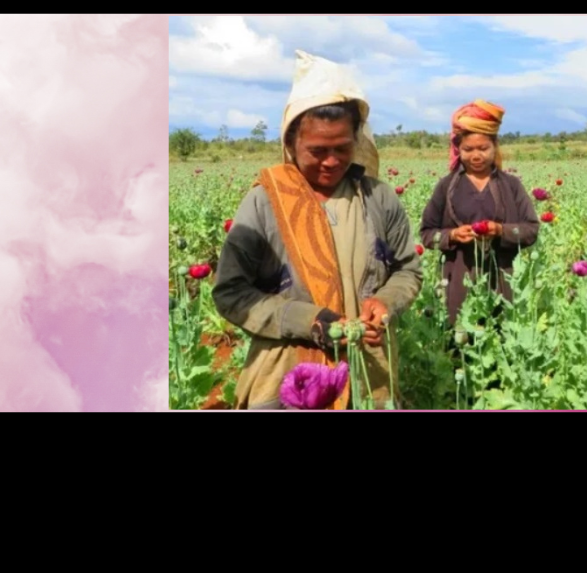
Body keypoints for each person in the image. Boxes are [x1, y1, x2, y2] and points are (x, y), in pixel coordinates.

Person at [212, 50, 422, 410]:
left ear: (358, 139)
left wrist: (384, 302)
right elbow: (231, 292)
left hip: (368, 373)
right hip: (289, 379)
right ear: (292, 143)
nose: (331, 161)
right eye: (317, 150)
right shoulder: (265, 203)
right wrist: (308, 320)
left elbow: (407, 270)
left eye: (342, 148)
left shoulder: (378, 198)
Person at [419, 99, 539, 334]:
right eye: (468, 149)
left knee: (502, 337)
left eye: (483, 149)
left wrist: (500, 231)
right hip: (458, 280)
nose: (476, 155)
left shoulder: (511, 186)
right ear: (458, 150)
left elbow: (531, 229)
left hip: (503, 280)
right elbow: (426, 233)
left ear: (495, 147)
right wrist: (452, 235)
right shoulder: (446, 186)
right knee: (460, 341)